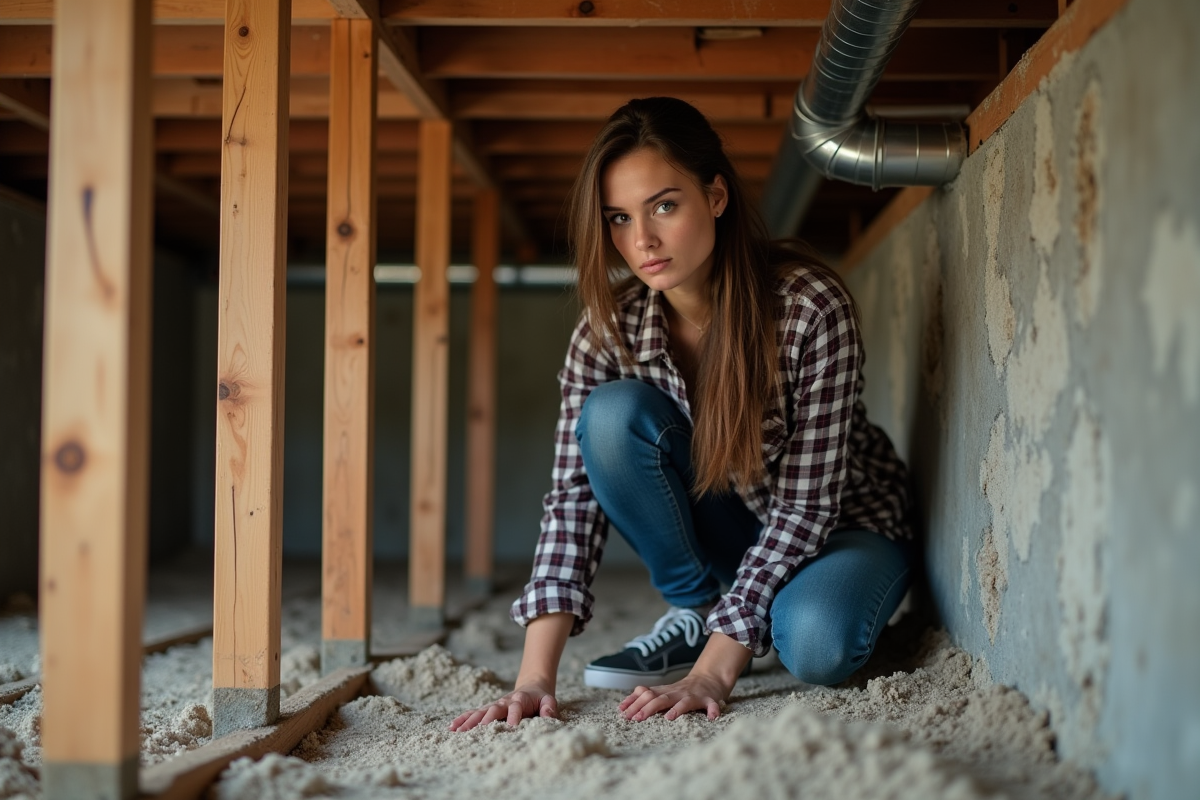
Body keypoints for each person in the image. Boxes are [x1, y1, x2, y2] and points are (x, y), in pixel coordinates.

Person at [450, 97, 913, 732]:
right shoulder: (608, 331)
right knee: (612, 418)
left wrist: (713, 673)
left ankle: (740, 624)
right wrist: (533, 680)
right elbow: (573, 500)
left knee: (814, 644)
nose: (641, 240)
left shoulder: (809, 306)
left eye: (664, 206)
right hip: (734, 529)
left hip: (840, 526)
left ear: (716, 197)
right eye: (618, 218)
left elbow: (807, 508)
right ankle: (699, 609)